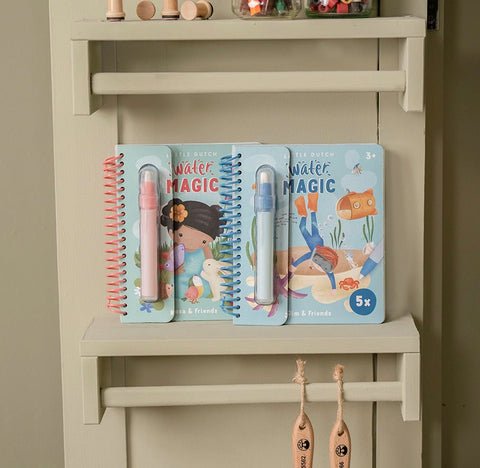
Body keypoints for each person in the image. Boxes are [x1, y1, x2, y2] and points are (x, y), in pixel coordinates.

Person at [161, 198, 223, 299]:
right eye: (181, 235)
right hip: (179, 280)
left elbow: (210, 261)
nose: (191, 243)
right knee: (177, 289)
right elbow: (170, 264)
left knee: (202, 290)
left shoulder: (205, 249)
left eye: (203, 241)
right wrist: (175, 270)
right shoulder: (176, 248)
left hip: (200, 280)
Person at [291, 192, 338, 290]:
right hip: (315, 240)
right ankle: (309, 207)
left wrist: (334, 287)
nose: (318, 267)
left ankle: (307, 209)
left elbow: (331, 275)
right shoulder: (317, 257)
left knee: (307, 225)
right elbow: (304, 257)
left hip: (314, 241)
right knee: (308, 225)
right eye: (319, 265)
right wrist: (294, 265)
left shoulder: (326, 266)